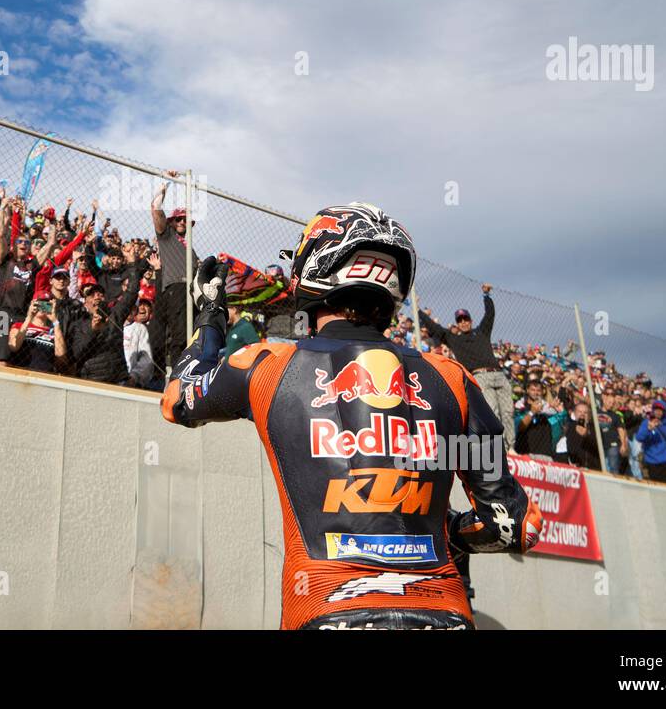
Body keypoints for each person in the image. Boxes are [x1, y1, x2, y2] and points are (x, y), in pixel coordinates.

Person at [159, 202, 541, 630]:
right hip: (444, 614)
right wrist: (443, 528)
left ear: (315, 267)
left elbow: (176, 400)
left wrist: (210, 317)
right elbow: (513, 527)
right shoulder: (452, 377)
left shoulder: (266, 362)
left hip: (326, 612)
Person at [418, 283, 514, 447]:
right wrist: (418, 310)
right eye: (460, 320)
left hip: (498, 374)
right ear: (457, 323)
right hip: (479, 376)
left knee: (508, 412)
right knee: (493, 412)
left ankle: (511, 447)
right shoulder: (453, 338)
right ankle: (500, 449)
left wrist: (486, 296)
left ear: (470, 320)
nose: (463, 322)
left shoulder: (481, 332)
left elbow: (489, 315)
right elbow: (434, 328)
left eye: (466, 319)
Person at [150, 179, 199, 373]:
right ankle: (178, 376)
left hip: (191, 292)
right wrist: (164, 186)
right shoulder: (167, 235)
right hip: (176, 288)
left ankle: (187, 371)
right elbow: (155, 209)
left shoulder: (191, 250)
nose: (181, 222)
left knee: (190, 335)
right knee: (179, 335)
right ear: (172, 222)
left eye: (185, 219)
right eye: (178, 219)